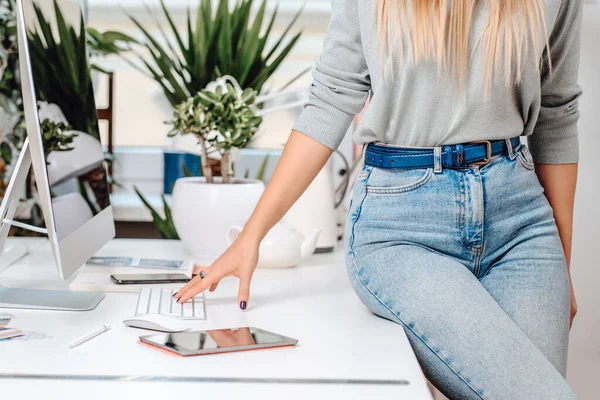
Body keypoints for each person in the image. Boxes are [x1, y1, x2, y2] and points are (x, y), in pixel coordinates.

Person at [175, 1, 583, 398]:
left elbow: (557, 111)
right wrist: (252, 235)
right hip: (402, 229)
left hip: (521, 223)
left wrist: (561, 265)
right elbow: (333, 97)